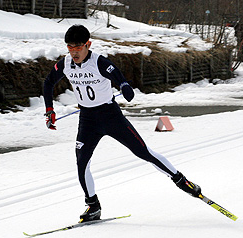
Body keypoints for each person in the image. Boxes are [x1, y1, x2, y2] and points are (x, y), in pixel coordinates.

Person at [44, 25, 201, 223]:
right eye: (70, 47)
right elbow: (48, 83)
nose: (74, 52)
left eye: (78, 47)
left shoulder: (99, 62)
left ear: (88, 45)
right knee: (81, 162)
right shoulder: (65, 63)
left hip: (111, 116)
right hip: (87, 120)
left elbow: (119, 78)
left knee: (142, 152)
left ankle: (181, 180)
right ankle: (93, 206)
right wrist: (49, 110)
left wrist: (125, 87)